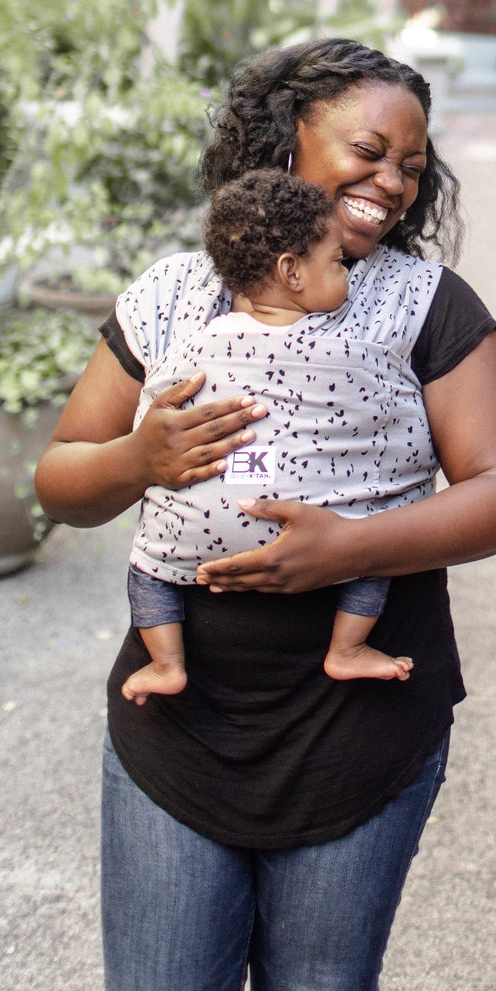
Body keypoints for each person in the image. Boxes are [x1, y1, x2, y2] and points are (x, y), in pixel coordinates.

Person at [34, 38, 496, 991]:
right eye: (367, 147)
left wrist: (347, 550)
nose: (390, 179)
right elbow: (61, 479)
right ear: (286, 137)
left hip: (360, 724)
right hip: (180, 716)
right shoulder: (172, 295)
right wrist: (139, 456)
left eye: (410, 163)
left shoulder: (426, 305)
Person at [123, 169, 416, 708]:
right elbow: (401, 431)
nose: (347, 273)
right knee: (375, 552)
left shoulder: (195, 342)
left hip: (193, 541)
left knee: (147, 568)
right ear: (292, 272)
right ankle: (347, 648)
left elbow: (154, 410)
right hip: (321, 541)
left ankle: (166, 662)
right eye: (337, 261)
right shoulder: (351, 350)